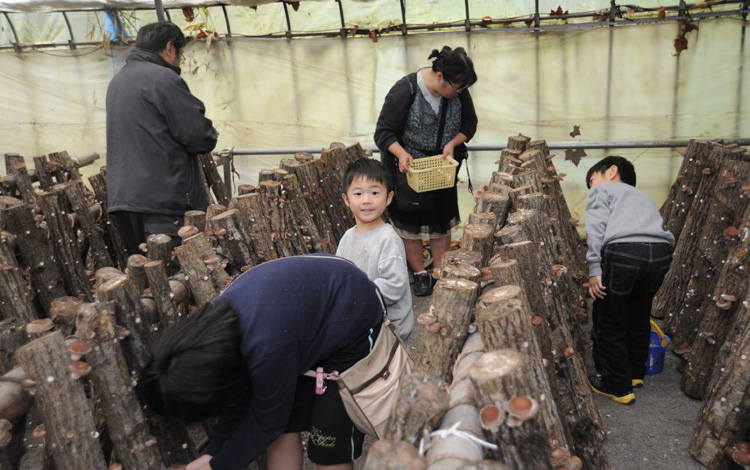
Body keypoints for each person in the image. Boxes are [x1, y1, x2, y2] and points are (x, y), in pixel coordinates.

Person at [138, 254, 384, 470]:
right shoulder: (210, 341)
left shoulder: (265, 348)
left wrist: (216, 465)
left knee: (328, 440)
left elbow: (267, 422)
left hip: (352, 315)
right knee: (284, 426)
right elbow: (248, 409)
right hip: (300, 323)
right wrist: (213, 453)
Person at [106, 22, 218, 255]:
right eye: (181, 55)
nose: (179, 62)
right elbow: (198, 136)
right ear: (169, 48)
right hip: (162, 201)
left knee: (149, 274)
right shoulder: (163, 78)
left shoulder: (118, 81)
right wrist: (211, 132)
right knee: (178, 274)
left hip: (125, 199)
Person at [374, 46, 478, 297]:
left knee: (441, 222)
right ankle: (420, 273)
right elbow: (383, 132)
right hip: (409, 170)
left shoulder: (457, 92)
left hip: (441, 169)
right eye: (458, 87)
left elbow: (469, 124)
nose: (460, 92)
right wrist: (400, 153)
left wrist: (452, 144)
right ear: (440, 76)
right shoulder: (405, 90)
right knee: (410, 224)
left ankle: (439, 272)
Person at [584, 156, 674, 405]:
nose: (591, 187)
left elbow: (594, 227)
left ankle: (617, 386)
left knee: (609, 320)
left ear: (611, 171)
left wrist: (594, 267)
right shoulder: (642, 196)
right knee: (639, 314)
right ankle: (635, 373)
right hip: (660, 254)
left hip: (624, 252)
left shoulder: (601, 190)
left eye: (592, 180)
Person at [336, 158, 414, 342]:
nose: (367, 200)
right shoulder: (347, 237)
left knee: (390, 370)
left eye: (375, 192)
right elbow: (339, 273)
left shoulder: (388, 240)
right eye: (358, 193)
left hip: (389, 329)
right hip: (362, 324)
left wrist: (356, 295)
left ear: (388, 198)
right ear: (346, 199)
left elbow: (394, 285)